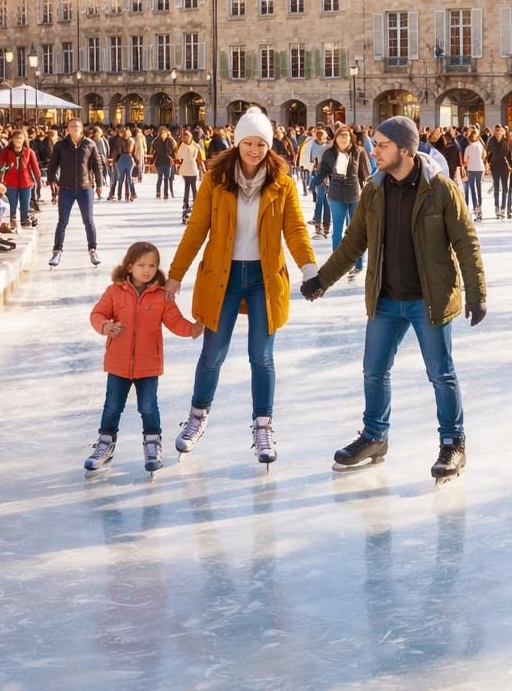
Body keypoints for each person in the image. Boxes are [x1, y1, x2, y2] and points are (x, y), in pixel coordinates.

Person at [300, 115, 486, 484]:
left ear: (406, 149)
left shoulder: (440, 189)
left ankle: (453, 443)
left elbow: (466, 242)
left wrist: (477, 292)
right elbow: (354, 242)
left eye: (383, 145)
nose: (375, 151)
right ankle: (375, 436)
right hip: (385, 298)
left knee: (441, 374)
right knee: (374, 370)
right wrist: (322, 280)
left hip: (428, 299)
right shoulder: (374, 189)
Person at [165, 109, 316, 468]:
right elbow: (196, 229)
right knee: (212, 353)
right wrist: (175, 274)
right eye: (248, 142)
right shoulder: (216, 180)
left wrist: (309, 269)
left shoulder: (282, 183)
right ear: (237, 143)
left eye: (261, 144)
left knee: (261, 356)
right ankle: (197, 417)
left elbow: (295, 229)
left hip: (265, 279)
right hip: (224, 277)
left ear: (269, 145)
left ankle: (263, 425)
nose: (254, 150)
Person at [82, 241, 203, 473]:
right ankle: (105, 444)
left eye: (152, 265)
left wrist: (192, 329)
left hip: (148, 364)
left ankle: (152, 443)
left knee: (148, 407)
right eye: (141, 265)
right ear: (129, 267)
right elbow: (97, 314)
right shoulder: (114, 292)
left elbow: (175, 322)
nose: (147, 270)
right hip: (118, 363)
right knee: (112, 407)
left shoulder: (162, 296)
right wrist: (105, 326)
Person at [47, 116, 107, 268]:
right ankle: (57, 251)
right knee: (62, 222)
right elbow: (52, 164)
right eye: (71, 126)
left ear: (81, 129)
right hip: (66, 188)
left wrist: (99, 184)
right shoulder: (60, 145)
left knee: (89, 221)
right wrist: (52, 180)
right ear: (67, 129)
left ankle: (93, 249)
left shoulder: (89, 144)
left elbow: (97, 165)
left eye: (77, 126)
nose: (74, 128)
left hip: (85, 188)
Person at [314, 124, 371, 275]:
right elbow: (323, 170)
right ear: (336, 137)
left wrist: (366, 189)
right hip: (336, 195)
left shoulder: (358, 151)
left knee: (355, 230)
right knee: (337, 231)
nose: (344, 138)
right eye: (341, 135)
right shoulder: (329, 153)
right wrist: (316, 181)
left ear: (350, 137)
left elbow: (365, 173)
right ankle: (337, 263)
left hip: (354, 195)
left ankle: (358, 262)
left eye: (346, 135)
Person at [0, 127, 41, 229]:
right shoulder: (6, 151)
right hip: (10, 182)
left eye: (20, 138)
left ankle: (24, 220)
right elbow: (1, 166)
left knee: (25, 204)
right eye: (16, 138)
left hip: (25, 182)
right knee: (12, 204)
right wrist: (7, 168)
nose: (18, 140)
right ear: (12, 139)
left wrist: (38, 181)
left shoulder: (29, 151)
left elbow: (35, 168)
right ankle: (12, 220)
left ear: (24, 139)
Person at [486, 124, 512, 219]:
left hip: (505, 168)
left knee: (505, 189)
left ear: (503, 132)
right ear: (495, 132)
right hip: (495, 167)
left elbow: (511, 154)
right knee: (496, 188)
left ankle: (503, 208)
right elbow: (488, 153)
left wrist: (511, 165)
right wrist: (488, 163)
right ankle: (497, 208)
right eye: (497, 130)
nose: (498, 132)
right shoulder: (491, 141)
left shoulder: (507, 141)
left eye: (500, 130)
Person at [462, 126, 486, 222]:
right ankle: (479, 210)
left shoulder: (468, 148)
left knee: (472, 189)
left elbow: (465, 160)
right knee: (479, 189)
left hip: (471, 169)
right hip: (480, 168)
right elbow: (484, 155)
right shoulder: (480, 145)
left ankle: (475, 208)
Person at [151, 125, 177, 200]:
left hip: (168, 162)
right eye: (161, 132)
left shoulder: (169, 140)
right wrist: (153, 162)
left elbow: (175, 146)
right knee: (160, 177)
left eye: (164, 132)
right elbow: (154, 150)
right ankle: (158, 192)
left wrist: (170, 137)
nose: (163, 134)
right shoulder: (156, 140)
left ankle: (166, 194)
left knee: (166, 178)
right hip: (159, 161)